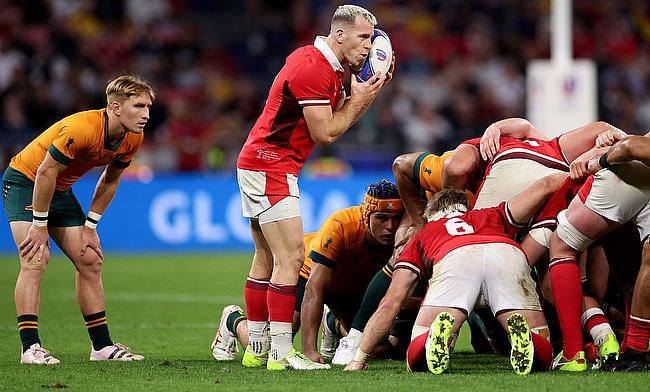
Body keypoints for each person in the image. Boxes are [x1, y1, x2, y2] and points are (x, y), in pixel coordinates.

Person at [234, 4, 393, 371]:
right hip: (271, 163)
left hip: (261, 160)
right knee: (291, 258)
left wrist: (365, 85)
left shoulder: (328, 65)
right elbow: (326, 133)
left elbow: (336, 108)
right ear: (340, 35)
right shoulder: (314, 69)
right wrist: (362, 102)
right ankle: (280, 352)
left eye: (372, 38)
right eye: (363, 37)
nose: (369, 46)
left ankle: (257, 348)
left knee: (266, 257)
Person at [343, 173, 570, 375]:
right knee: (542, 357)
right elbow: (548, 184)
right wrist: (584, 169)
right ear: (465, 208)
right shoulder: (494, 214)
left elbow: (391, 303)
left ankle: (433, 339)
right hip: (505, 253)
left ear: (430, 214)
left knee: (418, 359)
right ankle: (528, 341)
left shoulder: (423, 234)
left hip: (454, 260)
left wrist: (358, 358)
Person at [2, 75, 155, 364]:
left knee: (90, 260)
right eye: (139, 106)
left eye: (148, 106)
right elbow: (45, 172)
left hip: (58, 188)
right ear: (116, 107)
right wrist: (38, 225)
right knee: (35, 259)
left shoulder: (133, 136)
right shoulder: (81, 129)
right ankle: (29, 348)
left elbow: (110, 179)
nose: (146, 114)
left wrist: (91, 226)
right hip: (25, 182)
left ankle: (102, 347)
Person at [210, 180, 404, 363]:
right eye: (382, 218)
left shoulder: (403, 233)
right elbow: (314, 289)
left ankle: (332, 323)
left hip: (353, 286)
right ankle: (233, 321)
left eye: (396, 219)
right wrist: (309, 350)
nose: (390, 226)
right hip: (308, 275)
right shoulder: (341, 225)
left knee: (377, 347)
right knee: (271, 349)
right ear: (366, 216)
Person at [548, 133, 650, 371]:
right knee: (643, 261)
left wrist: (600, 160)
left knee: (561, 245)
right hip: (636, 178)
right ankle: (633, 351)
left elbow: (630, 147)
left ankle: (573, 353)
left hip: (626, 174)